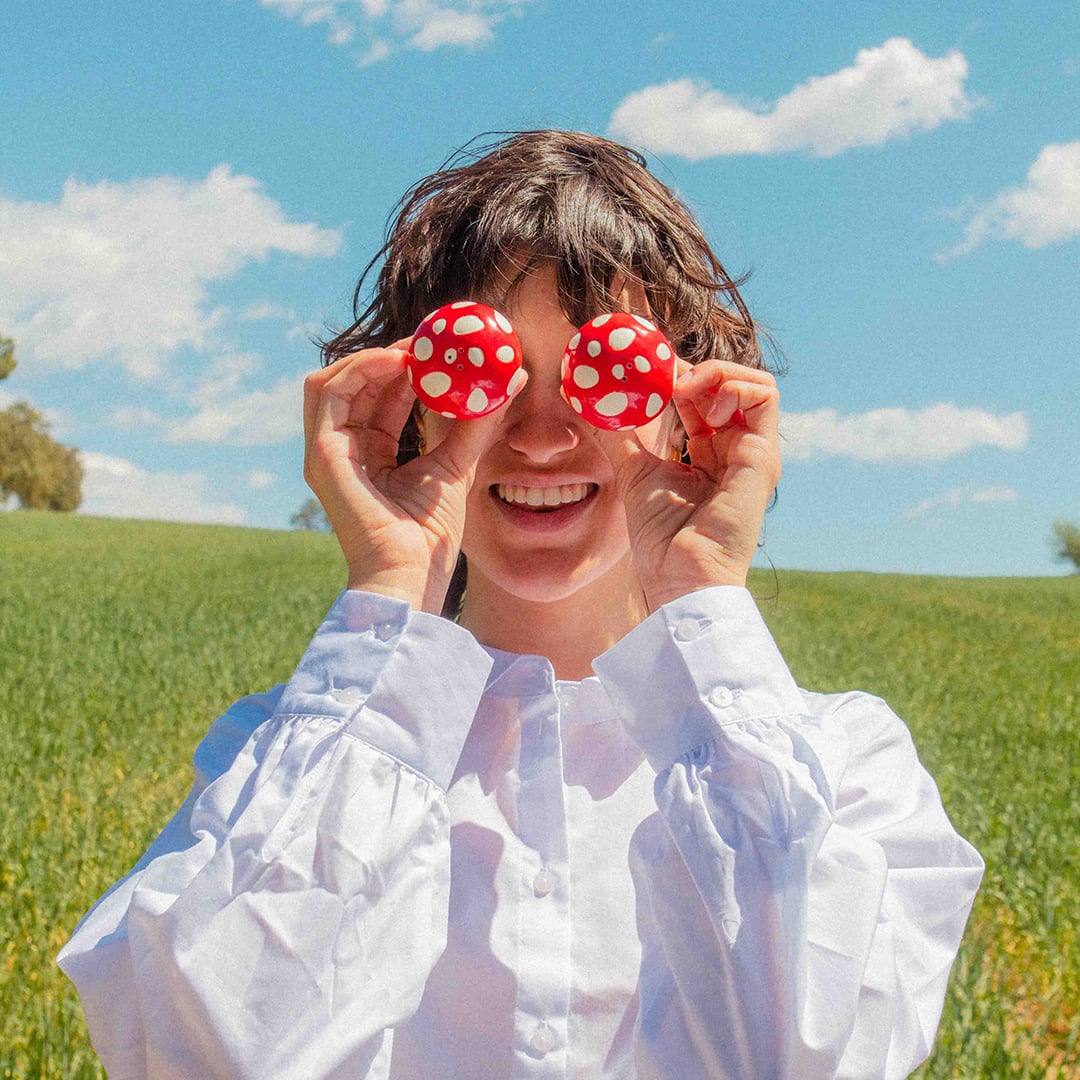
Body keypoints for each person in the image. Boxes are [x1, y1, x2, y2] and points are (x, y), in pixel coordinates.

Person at [59, 130, 983, 1079]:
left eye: (609, 377)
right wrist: (392, 591)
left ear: (686, 408)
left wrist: (700, 599)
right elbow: (211, 1057)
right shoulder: (277, 770)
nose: (542, 438)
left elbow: (812, 1057)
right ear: (410, 405)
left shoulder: (842, 770)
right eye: (485, 383)